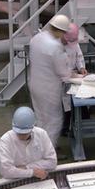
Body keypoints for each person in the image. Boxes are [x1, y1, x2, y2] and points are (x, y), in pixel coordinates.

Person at [29, 13, 72, 145]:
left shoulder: (37, 38)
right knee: (54, 121)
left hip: (35, 85)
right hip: (48, 90)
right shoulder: (55, 46)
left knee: (40, 120)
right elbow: (63, 72)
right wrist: (74, 74)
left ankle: (37, 147)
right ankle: (48, 152)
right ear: (61, 31)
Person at [0, 106, 58, 182]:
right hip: (15, 181)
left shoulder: (42, 134)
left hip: (39, 179)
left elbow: (52, 162)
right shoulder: (5, 140)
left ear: (33, 127)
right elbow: (6, 171)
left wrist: (26, 167)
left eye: (25, 133)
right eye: (19, 133)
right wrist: (33, 172)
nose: (22, 136)